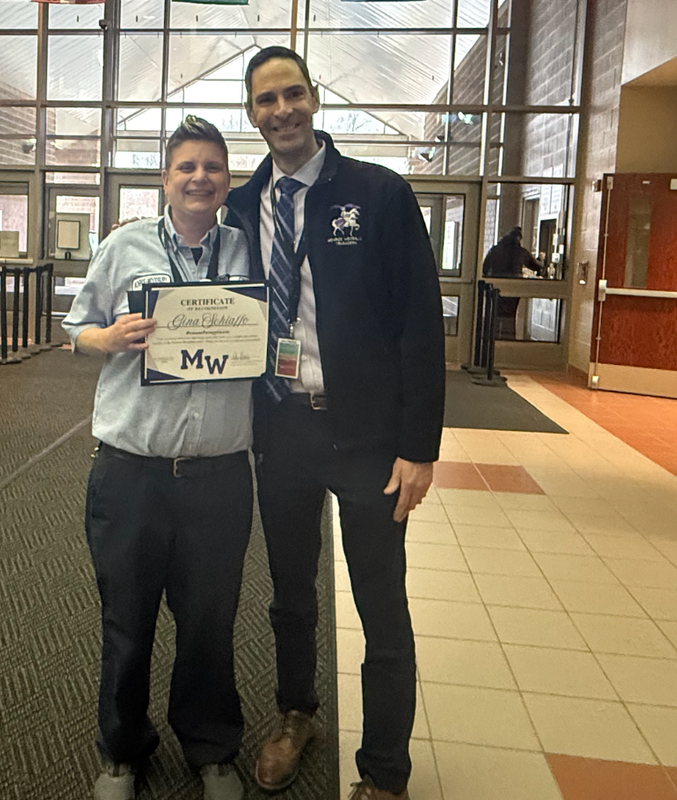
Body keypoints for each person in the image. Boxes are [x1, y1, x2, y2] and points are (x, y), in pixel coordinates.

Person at [224, 47, 445, 800]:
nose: (281, 110)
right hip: (282, 430)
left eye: (292, 94)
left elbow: (420, 325)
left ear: (314, 99)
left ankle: (385, 773)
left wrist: (419, 448)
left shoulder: (377, 193)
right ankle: (297, 714)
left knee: (381, 605)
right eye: (265, 100)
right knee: (291, 593)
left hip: (368, 440)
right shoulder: (241, 205)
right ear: (251, 113)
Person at [62, 117, 253, 800]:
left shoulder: (250, 250)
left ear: (227, 180)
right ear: (164, 180)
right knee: (127, 620)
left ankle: (211, 748)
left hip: (219, 475)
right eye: (186, 167)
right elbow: (74, 328)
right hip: (131, 473)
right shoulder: (124, 246)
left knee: (210, 623)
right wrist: (107, 338)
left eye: (213, 167)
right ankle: (122, 752)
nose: (200, 178)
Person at [482, 227, 545, 338]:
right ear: (519, 238)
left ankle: (494, 338)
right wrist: (541, 259)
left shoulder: (494, 250)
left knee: (496, 314)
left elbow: (484, 268)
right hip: (514, 287)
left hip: (496, 286)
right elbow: (536, 266)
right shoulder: (521, 252)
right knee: (510, 316)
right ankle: (509, 338)